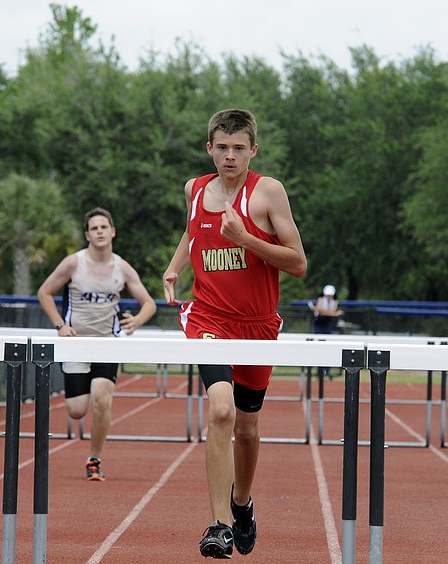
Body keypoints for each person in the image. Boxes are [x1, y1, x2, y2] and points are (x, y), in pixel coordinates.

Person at [162, 108, 307, 558]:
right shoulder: (195, 189)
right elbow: (194, 233)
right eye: (222, 148)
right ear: (209, 148)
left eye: (239, 148)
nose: (229, 156)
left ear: (253, 150)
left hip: (256, 325)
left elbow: (299, 263)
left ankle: (241, 504)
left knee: (247, 429)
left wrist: (245, 238)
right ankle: (219, 525)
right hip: (208, 319)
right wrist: (173, 268)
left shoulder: (267, 193)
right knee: (220, 411)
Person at [37, 207, 156, 481]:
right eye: (94, 228)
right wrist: (60, 325)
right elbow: (44, 292)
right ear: (87, 234)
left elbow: (148, 303)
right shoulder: (73, 263)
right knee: (77, 411)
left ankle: (94, 459)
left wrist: (137, 321)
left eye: (104, 227)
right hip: (76, 342)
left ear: (112, 232)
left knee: (102, 399)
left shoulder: (121, 267)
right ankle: (84, 392)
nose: (100, 231)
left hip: (107, 343)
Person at [312, 284, 344, 379]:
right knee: (319, 347)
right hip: (319, 325)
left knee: (328, 347)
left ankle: (327, 370)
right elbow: (322, 311)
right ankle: (319, 371)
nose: (329, 296)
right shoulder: (321, 299)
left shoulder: (335, 301)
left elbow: (324, 310)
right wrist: (334, 313)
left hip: (328, 326)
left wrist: (328, 312)